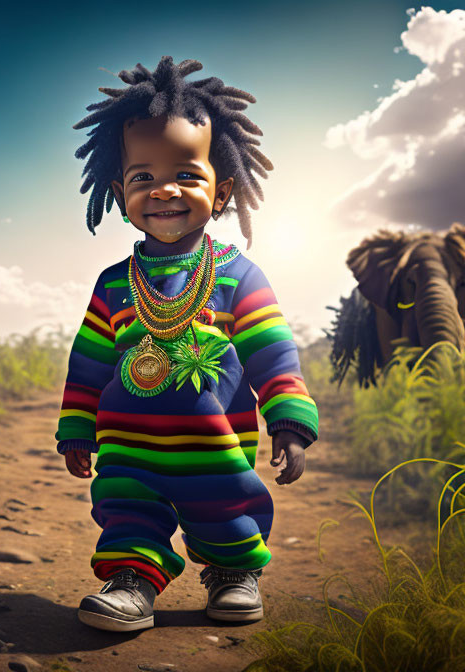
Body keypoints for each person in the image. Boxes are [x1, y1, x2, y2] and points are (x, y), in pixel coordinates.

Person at [54, 56, 319, 632]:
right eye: (142, 177)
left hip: (214, 444)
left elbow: (272, 353)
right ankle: (132, 579)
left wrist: (289, 422)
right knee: (126, 511)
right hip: (128, 444)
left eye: (187, 175)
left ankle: (231, 573)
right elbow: (90, 363)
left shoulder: (238, 276)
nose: (164, 190)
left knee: (226, 510)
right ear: (119, 190)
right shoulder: (113, 284)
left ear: (222, 192)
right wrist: (77, 427)